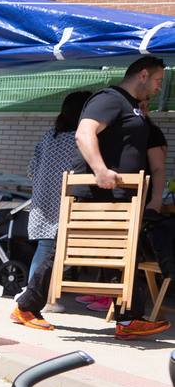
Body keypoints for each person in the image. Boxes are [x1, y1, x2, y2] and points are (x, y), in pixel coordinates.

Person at [64, 58, 166, 337]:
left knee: (122, 255)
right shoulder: (109, 99)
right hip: (102, 192)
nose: (159, 88)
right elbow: (84, 134)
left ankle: (128, 319)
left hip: (122, 194)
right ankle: (27, 304)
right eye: (158, 81)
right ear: (143, 75)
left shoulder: (130, 106)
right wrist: (100, 169)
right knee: (73, 251)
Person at [10, 92, 93, 331]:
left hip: (42, 200)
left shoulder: (50, 135)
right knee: (53, 251)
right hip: (63, 201)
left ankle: (36, 294)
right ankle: (40, 297)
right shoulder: (81, 138)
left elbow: (31, 169)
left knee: (46, 248)